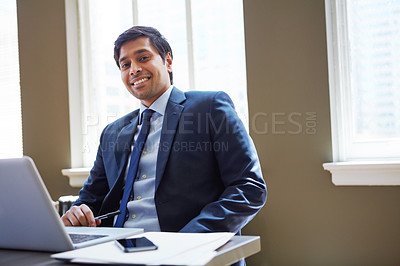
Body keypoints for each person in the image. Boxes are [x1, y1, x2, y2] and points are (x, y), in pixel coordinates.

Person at [62, 26, 266, 235]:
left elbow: (249, 188)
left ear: (168, 61)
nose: (134, 69)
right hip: (116, 247)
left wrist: (189, 240)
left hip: (187, 248)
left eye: (143, 58)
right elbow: (90, 200)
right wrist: (77, 213)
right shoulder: (112, 133)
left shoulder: (210, 107)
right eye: (125, 64)